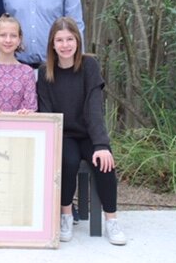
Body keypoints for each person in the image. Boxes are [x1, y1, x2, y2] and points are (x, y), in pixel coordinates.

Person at [36, 17, 126, 245]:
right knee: (68, 161)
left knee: (104, 163)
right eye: (59, 40)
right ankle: (65, 215)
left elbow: (94, 108)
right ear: (52, 44)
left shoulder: (89, 66)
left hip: (88, 133)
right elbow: (46, 113)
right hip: (62, 134)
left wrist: (101, 145)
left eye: (70, 39)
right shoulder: (45, 72)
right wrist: (53, 143)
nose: (65, 45)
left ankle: (112, 220)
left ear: (77, 40)